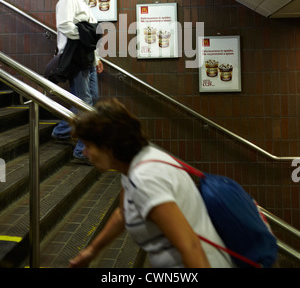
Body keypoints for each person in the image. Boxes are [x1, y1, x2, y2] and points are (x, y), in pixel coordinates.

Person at [68, 98, 235, 268]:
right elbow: (123, 213)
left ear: (108, 146)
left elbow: (191, 247)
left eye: (88, 145)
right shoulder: (140, 162)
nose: (84, 151)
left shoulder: (145, 179)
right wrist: (91, 251)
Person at [51, 0, 103, 164]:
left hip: (87, 58)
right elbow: (64, 25)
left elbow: (89, 37)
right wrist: (84, 40)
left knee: (93, 99)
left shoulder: (87, 7)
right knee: (85, 101)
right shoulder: (69, 0)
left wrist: (96, 58)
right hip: (74, 57)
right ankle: (81, 150)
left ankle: (62, 130)